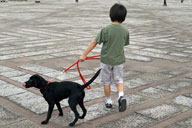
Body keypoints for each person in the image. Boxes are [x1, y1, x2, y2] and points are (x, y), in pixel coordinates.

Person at [79, 3, 129, 112]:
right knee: (119, 80)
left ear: (110, 15)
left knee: (106, 82)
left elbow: (94, 42)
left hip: (106, 61)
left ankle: (109, 101)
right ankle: (121, 96)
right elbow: (123, 44)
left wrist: (84, 55)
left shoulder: (105, 30)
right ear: (123, 17)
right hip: (119, 61)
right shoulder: (125, 31)